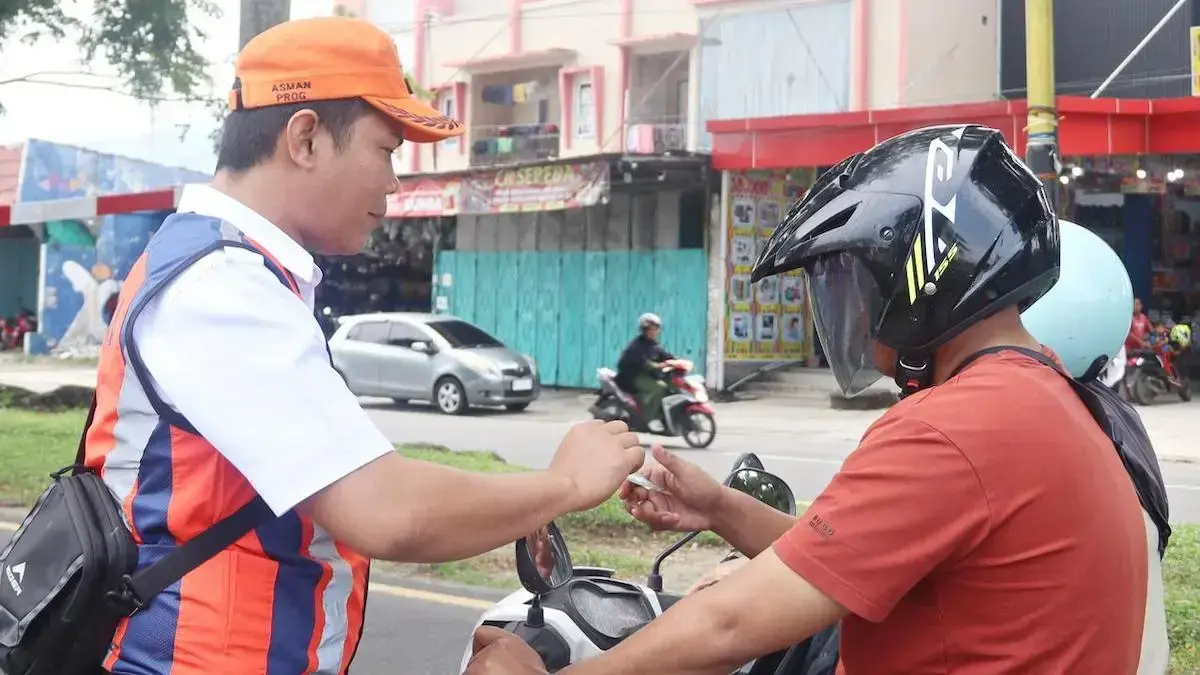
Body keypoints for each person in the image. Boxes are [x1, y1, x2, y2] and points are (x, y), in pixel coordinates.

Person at [465, 125, 1149, 674]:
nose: (848, 313)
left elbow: (729, 625)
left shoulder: (955, 427)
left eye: (856, 283)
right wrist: (717, 505)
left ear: (922, 272)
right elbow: (842, 560)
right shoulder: (1042, 395)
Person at [83, 16, 645, 674]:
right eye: (385, 150)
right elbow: (384, 510)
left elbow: (348, 475)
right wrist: (567, 483)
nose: (393, 183)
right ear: (307, 137)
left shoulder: (231, 270)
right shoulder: (220, 287)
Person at [615, 312, 690, 430]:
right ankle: (651, 419)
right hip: (633, 377)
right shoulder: (637, 346)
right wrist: (659, 365)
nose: (655, 332)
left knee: (670, 385)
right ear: (645, 330)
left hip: (647, 375)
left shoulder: (653, 344)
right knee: (659, 387)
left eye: (656, 329)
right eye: (652, 329)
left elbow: (664, 355)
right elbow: (644, 363)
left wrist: (678, 361)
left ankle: (663, 415)